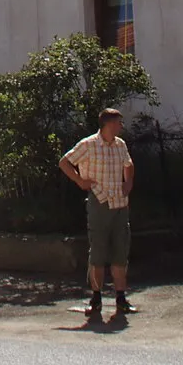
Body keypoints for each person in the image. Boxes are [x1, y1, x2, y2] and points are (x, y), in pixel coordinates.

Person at [59, 107, 135, 317]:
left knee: (120, 251)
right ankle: (96, 298)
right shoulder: (89, 144)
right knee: (98, 252)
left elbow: (129, 164)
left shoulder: (120, 145)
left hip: (120, 203)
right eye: (118, 122)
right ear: (108, 123)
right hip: (99, 201)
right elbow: (64, 162)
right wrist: (79, 180)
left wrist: (128, 182)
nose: (121, 126)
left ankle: (121, 298)